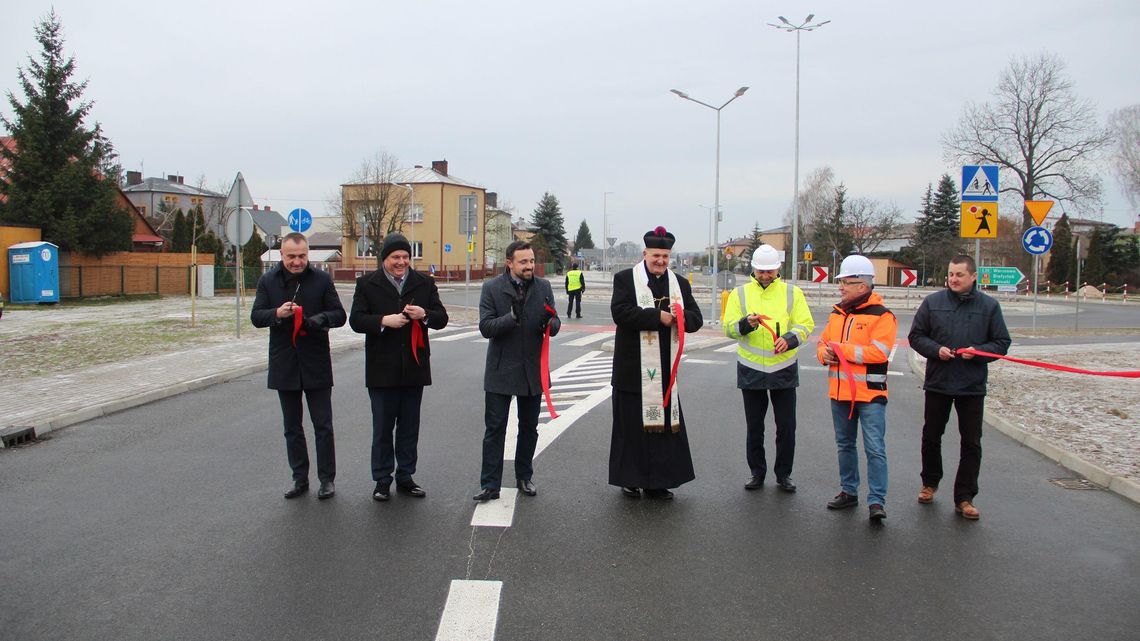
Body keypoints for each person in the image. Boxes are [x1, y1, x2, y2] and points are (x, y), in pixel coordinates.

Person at [908, 254, 1011, 520]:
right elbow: (916, 336)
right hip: (938, 382)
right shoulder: (933, 303)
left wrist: (978, 352)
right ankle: (929, 483)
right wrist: (936, 350)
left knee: (971, 442)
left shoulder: (989, 307)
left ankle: (965, 497)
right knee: (931, 436)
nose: (953, 279)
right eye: (951, 274)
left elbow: (1001, 343)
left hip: (971, 386)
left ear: (973, 276)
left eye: (959, 275)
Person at [349, 233, 448, 502]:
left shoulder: (424, 283)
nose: (401, 261)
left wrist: (424, 315)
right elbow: (356, 320)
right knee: (382, 427)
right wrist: (384, 320)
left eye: (405, 256)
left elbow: (441, 319)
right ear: (385, 259)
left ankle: (406, 476)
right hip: (382, 369)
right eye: (396, 257)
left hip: (414, 368)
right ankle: (382, 479)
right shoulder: (368, 284)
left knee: (408, 427)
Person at [609, 226, 703, 500]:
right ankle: (630, 479)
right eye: (656, 256)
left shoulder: (680, 284)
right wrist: (657, 317)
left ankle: (659, 482)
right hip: (631, 369)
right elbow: (621, 313)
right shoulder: (626, 279)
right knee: (631, 429)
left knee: (663, 430)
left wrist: (681, 316)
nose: (661, 261)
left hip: (665, 370)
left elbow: (695, 319)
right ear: (644, 254)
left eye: (665, 256)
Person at [251, 232, 347, 500]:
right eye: (291, 256)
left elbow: (339, 315)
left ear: (308, 254)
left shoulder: (322, 280)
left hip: (316, 361)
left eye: (302, 256)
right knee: (292, 427)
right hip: (285, 363)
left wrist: (319, 320)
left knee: (323, 426)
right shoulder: (268, 281)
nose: (297, 261)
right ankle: (299, 478)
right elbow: (256, 316)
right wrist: (277, 314)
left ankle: (327, 479)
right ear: (281, 255)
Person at [722, 244, 814, 493]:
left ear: (778, 269)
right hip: (751, 367)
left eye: (770, 271)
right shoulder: (739, 294)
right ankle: (756, 472)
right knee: (755, 426)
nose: (765, 276)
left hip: (783, 366)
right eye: (761, 271)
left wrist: (791, 339)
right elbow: (728, 328)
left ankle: (784, 474)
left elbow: (805, 324)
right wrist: (746, 324)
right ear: (753, 269)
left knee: (786, 427)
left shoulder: (792, 293)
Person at [474, 240, 561, 501]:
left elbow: (555, 323)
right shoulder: (491, 288)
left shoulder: (543, 287)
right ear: (509, 263)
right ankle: (490, 484)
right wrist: (510, 318)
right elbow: (486, 327)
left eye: (532, 261)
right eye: (523, 262)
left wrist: (551, 322)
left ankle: (524, 476)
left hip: (532, 370)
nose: (529, 266)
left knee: (529, 428)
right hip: (501, 370)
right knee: (495, 429)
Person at [817, 255, 897, 521]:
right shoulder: (837, 313)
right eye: (841, 283)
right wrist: (823, 355)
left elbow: (880, 353)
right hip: (839, 393)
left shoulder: (882, 316)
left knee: (874, 448)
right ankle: (849, 492)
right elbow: (823, 342)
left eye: (846, 283)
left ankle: (876, 501)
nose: (841, 287)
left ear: (863, 286)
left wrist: (842, 351)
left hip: (870, 396)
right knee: (845, 445)